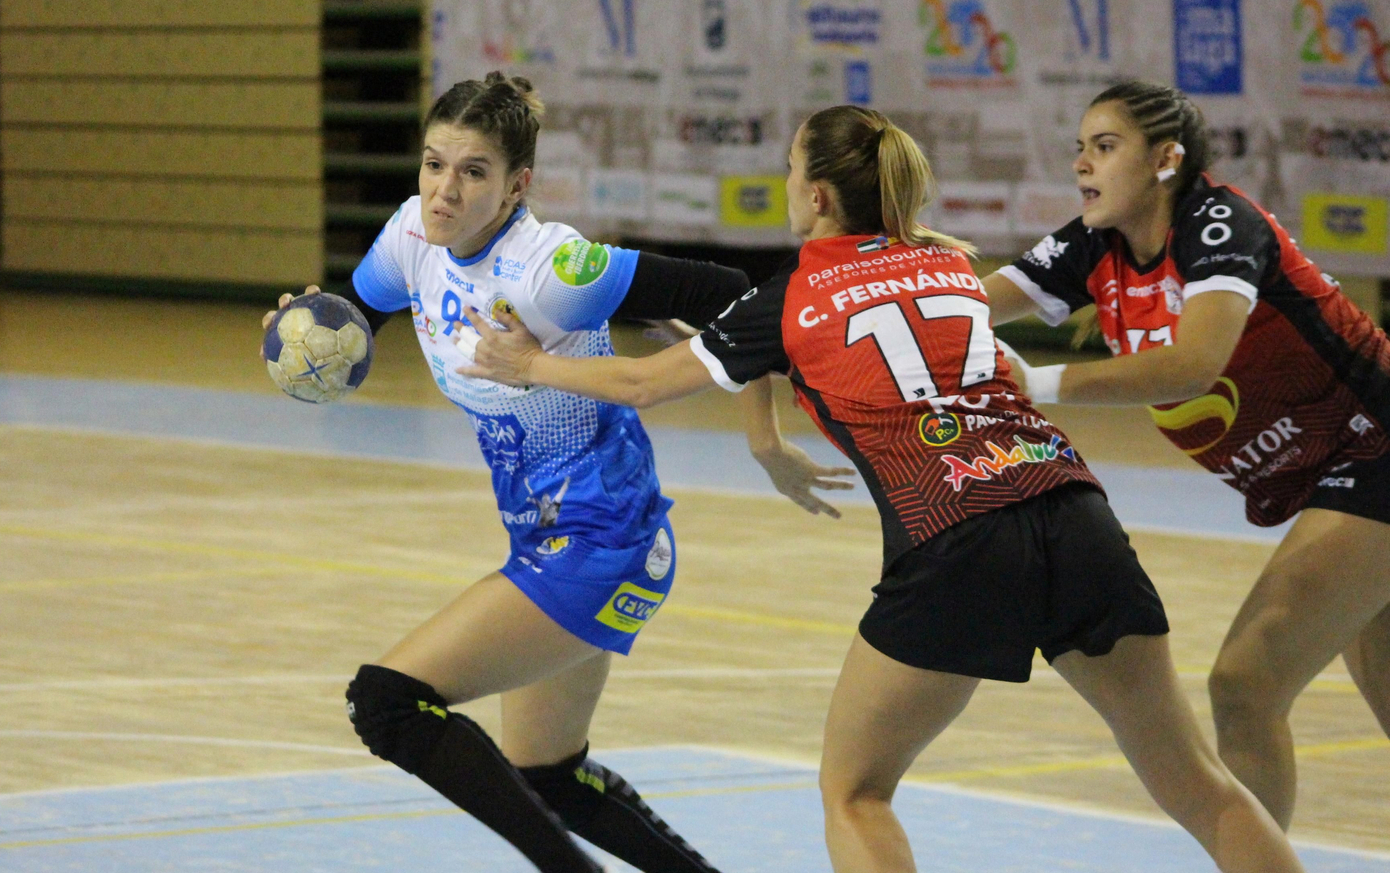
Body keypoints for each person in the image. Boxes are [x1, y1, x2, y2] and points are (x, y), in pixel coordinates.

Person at [457, 104, 1305, 873]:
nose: (786, 185)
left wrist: (526, 364)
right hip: (1074, 511)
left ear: (819, 195)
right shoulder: (949, 265)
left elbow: (644, 385)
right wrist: (762, 412)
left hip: (958, 538)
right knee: (1198, 782)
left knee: (856, 791)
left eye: (791, 169)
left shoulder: (789, 298)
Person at [264, 71, 756, 873]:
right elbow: (358, 319)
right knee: (548, 776)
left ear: (516, 185)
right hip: (549, 538)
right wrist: (306, 337)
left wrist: (765, 438)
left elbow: (734, 295)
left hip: (603, 540)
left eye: (473, 172)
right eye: (434, 164)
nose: (444, 190)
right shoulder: (413, 237)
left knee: (387, 702)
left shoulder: (552, 269)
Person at [983, 78, 1390, 829]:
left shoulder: (1218, 224)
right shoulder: (1092, 244)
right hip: (1332, 472)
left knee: (1246, 683)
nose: (1082, 163)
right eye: (1080, 147)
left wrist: (1037, 381)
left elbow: (1194, 365)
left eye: (1106, 146)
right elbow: (964, 309)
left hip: (1377, 448)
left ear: (1166, 160)